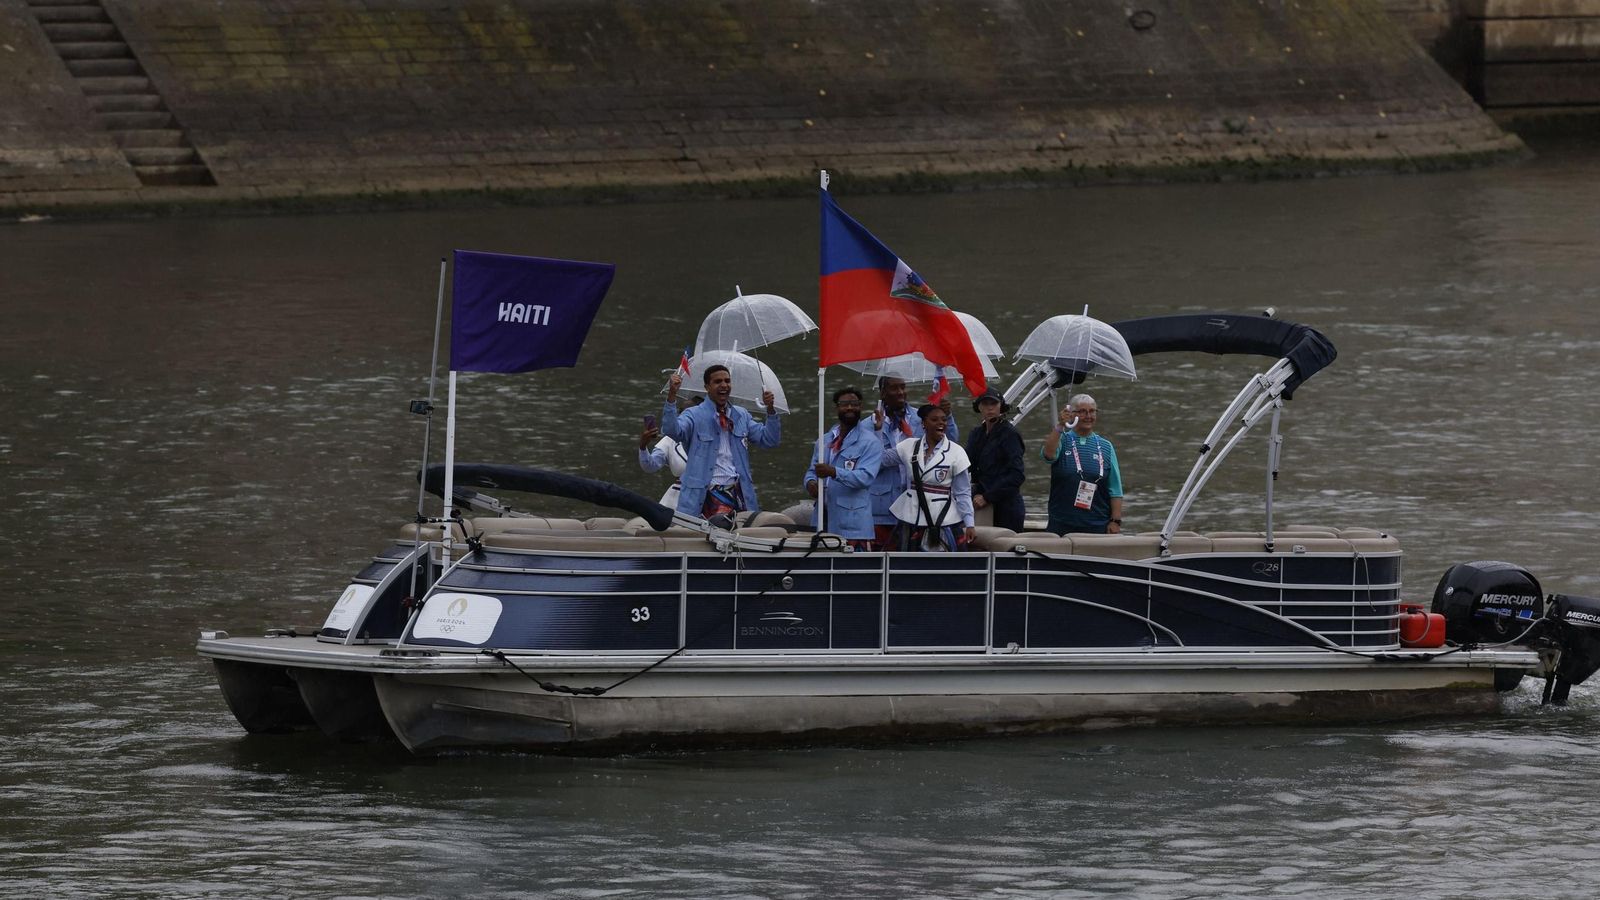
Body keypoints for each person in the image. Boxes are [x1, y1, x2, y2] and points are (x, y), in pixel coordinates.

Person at [661, 364, 781, 520]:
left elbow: (769, 440)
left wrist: (770, 409)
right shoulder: (694, 414)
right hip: (704, 495)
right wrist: (672, 395)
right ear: (707, 387)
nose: (724, 385)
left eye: (727, 381)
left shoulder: (741, 415)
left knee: (741, 536)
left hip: (740, 494)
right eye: (717, 382)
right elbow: (672, 430)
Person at [804, 386, 883, 548]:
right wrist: (810, 483)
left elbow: (865, 478)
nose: (849, 408)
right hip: (822, 517)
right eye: (844, 404)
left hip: (852, 524)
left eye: (854, 404)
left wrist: (833, 472)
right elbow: (811, 471)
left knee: (854, 570)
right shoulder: (824, 440)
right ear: (837, 408)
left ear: (860, 407)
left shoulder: (871, 442)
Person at [889, 403, 974, 551]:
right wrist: (876, 431)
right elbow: (878, 459)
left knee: (945, 566)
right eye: (934, 420)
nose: (941, 423)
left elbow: (963, 493)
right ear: (923, 423)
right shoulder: (908, 446)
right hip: (912, 516)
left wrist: (970, 523)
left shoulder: (957, 452)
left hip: (944, 519)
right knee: (906, 565)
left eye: (943, 420)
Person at [1041, 393, 1123, 535]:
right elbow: (1048, 455)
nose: (1088, 416)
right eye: (1082, 411)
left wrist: (1115, 521)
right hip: (1062, 522)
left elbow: (1115, 488)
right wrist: (1060, 425)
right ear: (1071, 414)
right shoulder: (1062, 439)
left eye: (1092, 411)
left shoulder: (1106, 446)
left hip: (1097, 523)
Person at [868, 376, 923, 548]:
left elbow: (947, 443)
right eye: (894, 388)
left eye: (903, 387)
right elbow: (872, 463)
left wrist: (948, 418)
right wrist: (878, 432)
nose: (900, 393)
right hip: (884, 505)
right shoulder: (867, 425)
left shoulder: (922, 418)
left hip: (916, 501)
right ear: (883, 392)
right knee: (883, 557)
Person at [965, 388, 1026, 532]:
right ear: (979, 407)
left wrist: (987, 496)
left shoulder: (1009, 434)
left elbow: (1017, 475)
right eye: (985, 403)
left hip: (1006, 506)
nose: (990, 407)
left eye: (994, 403)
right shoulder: (976, 434)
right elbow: (967, 466)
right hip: (980, 502)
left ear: (1001, 406)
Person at [637, 418, 689, 508]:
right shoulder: (669, 440)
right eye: (684, 413)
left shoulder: (714, 437)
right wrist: (643, 446)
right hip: (677, 498)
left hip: (710, 496)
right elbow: (650, 466)